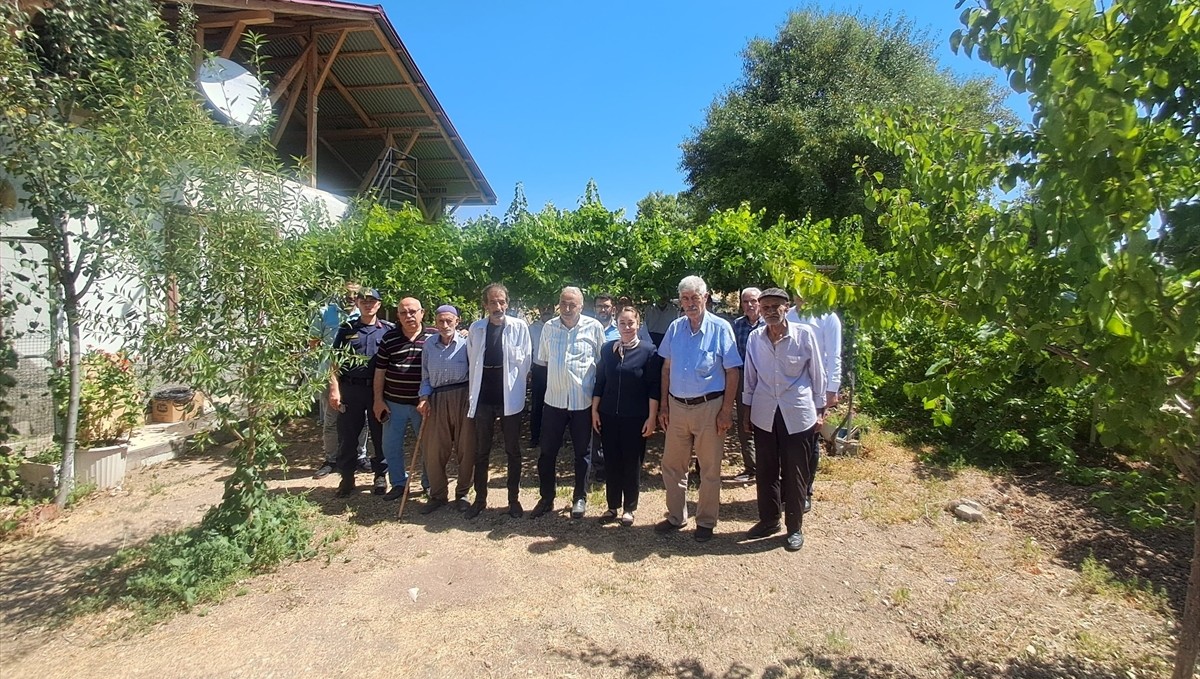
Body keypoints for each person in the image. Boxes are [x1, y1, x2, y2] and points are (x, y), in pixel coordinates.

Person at [655, 275, 742, 542]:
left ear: (705, 298)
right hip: (677, 408)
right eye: (685, 298)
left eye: (695, 297)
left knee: (709, 469)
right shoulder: (675, 328)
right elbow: (666, 368)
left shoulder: (721, 328)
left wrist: (726, 411)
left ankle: (705, 521)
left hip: (709, 409)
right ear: (680, 302)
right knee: (672, 466)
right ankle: (676, 517)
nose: (690, 303)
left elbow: (733, 372)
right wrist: (663, 406)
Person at [742, 288, 825, 551]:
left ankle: (794, 528)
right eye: (765, 307)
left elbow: (817, 374)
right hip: (765, 412)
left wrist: (820, 410)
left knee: (795, 471)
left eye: (775, 307)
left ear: (786, 308)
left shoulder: (804, 335)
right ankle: (769, 520)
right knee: (765, 470)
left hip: (797, 413)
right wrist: (746, 411)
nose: (769, 312)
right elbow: (750, 377)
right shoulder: (755, 338)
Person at [530, 286, 605, 519]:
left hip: (582, 402)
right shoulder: (549, 328)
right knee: (547, 452)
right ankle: (546, 497)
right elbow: (542, 362)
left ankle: (579, 497)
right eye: (564, 303)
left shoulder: (594, 327)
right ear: (558, 304)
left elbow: (601, 364)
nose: (568, 308)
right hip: (554, 400)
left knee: (583, 453)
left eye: (573, 304)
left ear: (581, 306)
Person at [465, 283, 532, 519]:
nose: (498, 306)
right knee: (481, 451)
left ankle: (513, 500)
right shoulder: (476, 329)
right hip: (483, 398)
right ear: (485, 305)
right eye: (493, 302)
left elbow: (525, 361)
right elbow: (472, 359)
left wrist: (515, 385)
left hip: (509, 398)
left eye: (502, 301)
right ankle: (480, 499)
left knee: (512, 450)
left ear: (507, 303)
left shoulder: (519, 327)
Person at [591, 307, 661, 526]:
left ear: (638, 324)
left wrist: (652, 417)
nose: (627, 327)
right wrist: (594, 410)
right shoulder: (607, 349)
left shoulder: (649, 351)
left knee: (632, 463)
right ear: (617, 324)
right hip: (608, 415)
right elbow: (600, 381)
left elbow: (654, 388)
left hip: (635, 417)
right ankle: (612, 506)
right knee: (611, 462)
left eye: (631, 323)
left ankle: (629, 508)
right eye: (622, 323)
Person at [329, 288, 393, 497]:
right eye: (363, 301)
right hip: (351, 389)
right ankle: (347, 477)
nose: (368, 304)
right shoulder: (346, 329)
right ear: (357, 303)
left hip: (379, 391)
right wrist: (334, 389)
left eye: (372, 301)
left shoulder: (388, 330)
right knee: (348, 435)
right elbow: (334, 361)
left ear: (379, 304)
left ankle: (380, 475)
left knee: (380, 434)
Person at [372, 296, 432, 501]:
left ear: (422, 313)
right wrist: (378, 400)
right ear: (398, 316)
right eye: (403, 313)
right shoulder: (389, 338)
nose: (409, 316)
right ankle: (398, 483)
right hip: (393, 403)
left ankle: (429, 484)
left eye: (413, 311)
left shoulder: (433, 337)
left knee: (428, 446)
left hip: (423, 404)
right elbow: (380, 371)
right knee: (390, 446)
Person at [786, 295, 843, 512]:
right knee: (788, 439)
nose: (801, 295)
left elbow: (834, 356)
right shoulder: (788, 315)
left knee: (810, 439)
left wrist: (832, 389)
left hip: (816, 388)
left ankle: (805, 490)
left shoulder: (827, 318)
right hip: (789, 388)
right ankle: (788, 487)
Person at [416, 304, 473, 513]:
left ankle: (463, 493)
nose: (445, 325)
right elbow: (425, 376)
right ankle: (438, 495)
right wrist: (424, 397)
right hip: (437, 397)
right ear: (435, 322)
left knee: (466, 448)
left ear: (457, 321)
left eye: (449, 321)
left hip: (463, 395)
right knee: (434, 450)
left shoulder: (467, 343)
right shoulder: (429, 345)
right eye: (441, 321)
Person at [311, 283, 370, 479]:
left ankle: (360, 457)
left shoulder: (363, 314)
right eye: (348, 293)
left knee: (362, 420)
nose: (351, 297)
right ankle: (331, 460)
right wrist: (327, 363)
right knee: (331, 420)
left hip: (356, 377)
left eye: (355, 294)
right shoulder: (325, 312)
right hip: (330, 375)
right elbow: (313, 342)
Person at [731, 287, 764, 483]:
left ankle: (768, 466)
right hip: (742, 377)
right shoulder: (737, 325)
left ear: (760, 302)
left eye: (753, 301)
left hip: (765, 378)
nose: (750, 305)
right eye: (745, 301)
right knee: (745, 422)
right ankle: (751, 467)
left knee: (767, 421)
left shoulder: (768, 324)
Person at [527, 304, 553, 449]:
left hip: (555, 371)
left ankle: (553, 437)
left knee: (554, 405)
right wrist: (529, 370)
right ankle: (535, 437)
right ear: (539, 310)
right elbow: (528, 350)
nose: (546, 311)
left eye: (549, 308)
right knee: (537, 404)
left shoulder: (558, 326)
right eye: (544, 308)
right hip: (539, 370)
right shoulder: (532, 328)